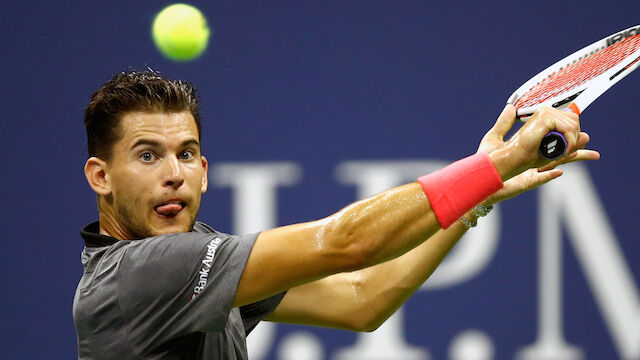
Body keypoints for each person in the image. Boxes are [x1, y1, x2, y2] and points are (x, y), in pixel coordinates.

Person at [73, 69, 599, 359]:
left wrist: (478, 196)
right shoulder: (139, 274)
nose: (174, 173)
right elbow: (347, 242)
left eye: (186, 153)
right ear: (101, 176)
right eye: (148, 155)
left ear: (205, 170)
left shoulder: (195, 263)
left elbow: (361, 299)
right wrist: (500, 160)